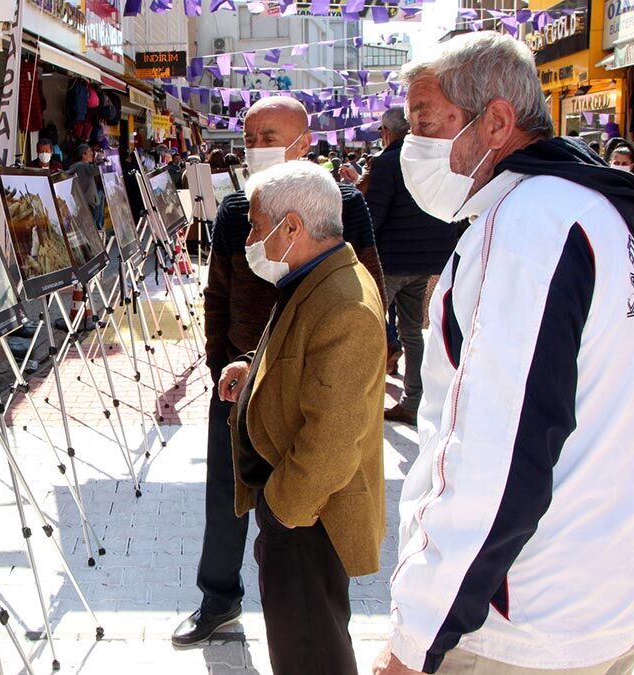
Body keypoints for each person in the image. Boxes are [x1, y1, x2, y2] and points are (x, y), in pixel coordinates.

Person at [375, 32, 634, 675]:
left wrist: (419, 634)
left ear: (497, 121)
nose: (411, 145)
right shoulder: (609, 220)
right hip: (608, 599)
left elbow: (500, 451)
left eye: (427, 123)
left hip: (520, 623)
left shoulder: (532, 224)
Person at [174, 95, 383, 650]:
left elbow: (364, 294)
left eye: (269, 137)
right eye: (250, 139)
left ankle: (306, 611)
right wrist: (224, 364)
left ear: (304, 142)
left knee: (299, 510)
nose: (257, 149)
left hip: (312, 385)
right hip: (242, 380)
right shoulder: (238, 208)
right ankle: (218, 596)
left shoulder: (340, 208)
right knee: (226, 494)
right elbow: (216, 295)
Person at [219, 161, 386, 672]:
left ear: (292, 227)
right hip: (297, 510)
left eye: (256, 223)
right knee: (301, 641)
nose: (250, 237)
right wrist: (256, 372)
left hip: (308, 516)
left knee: (310, 649)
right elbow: (305, 357)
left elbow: (333, 441)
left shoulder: (344, 303)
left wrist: (281, 509)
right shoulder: (316, 274)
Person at [365, 107, 457, 426]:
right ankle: (414, 399)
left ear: (387, 132)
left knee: (369, 331)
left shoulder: (388, 162)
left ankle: (363, 400)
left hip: (391, 261)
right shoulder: (434, 159)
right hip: (427, 259)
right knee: (412, 332)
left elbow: (373, 216)